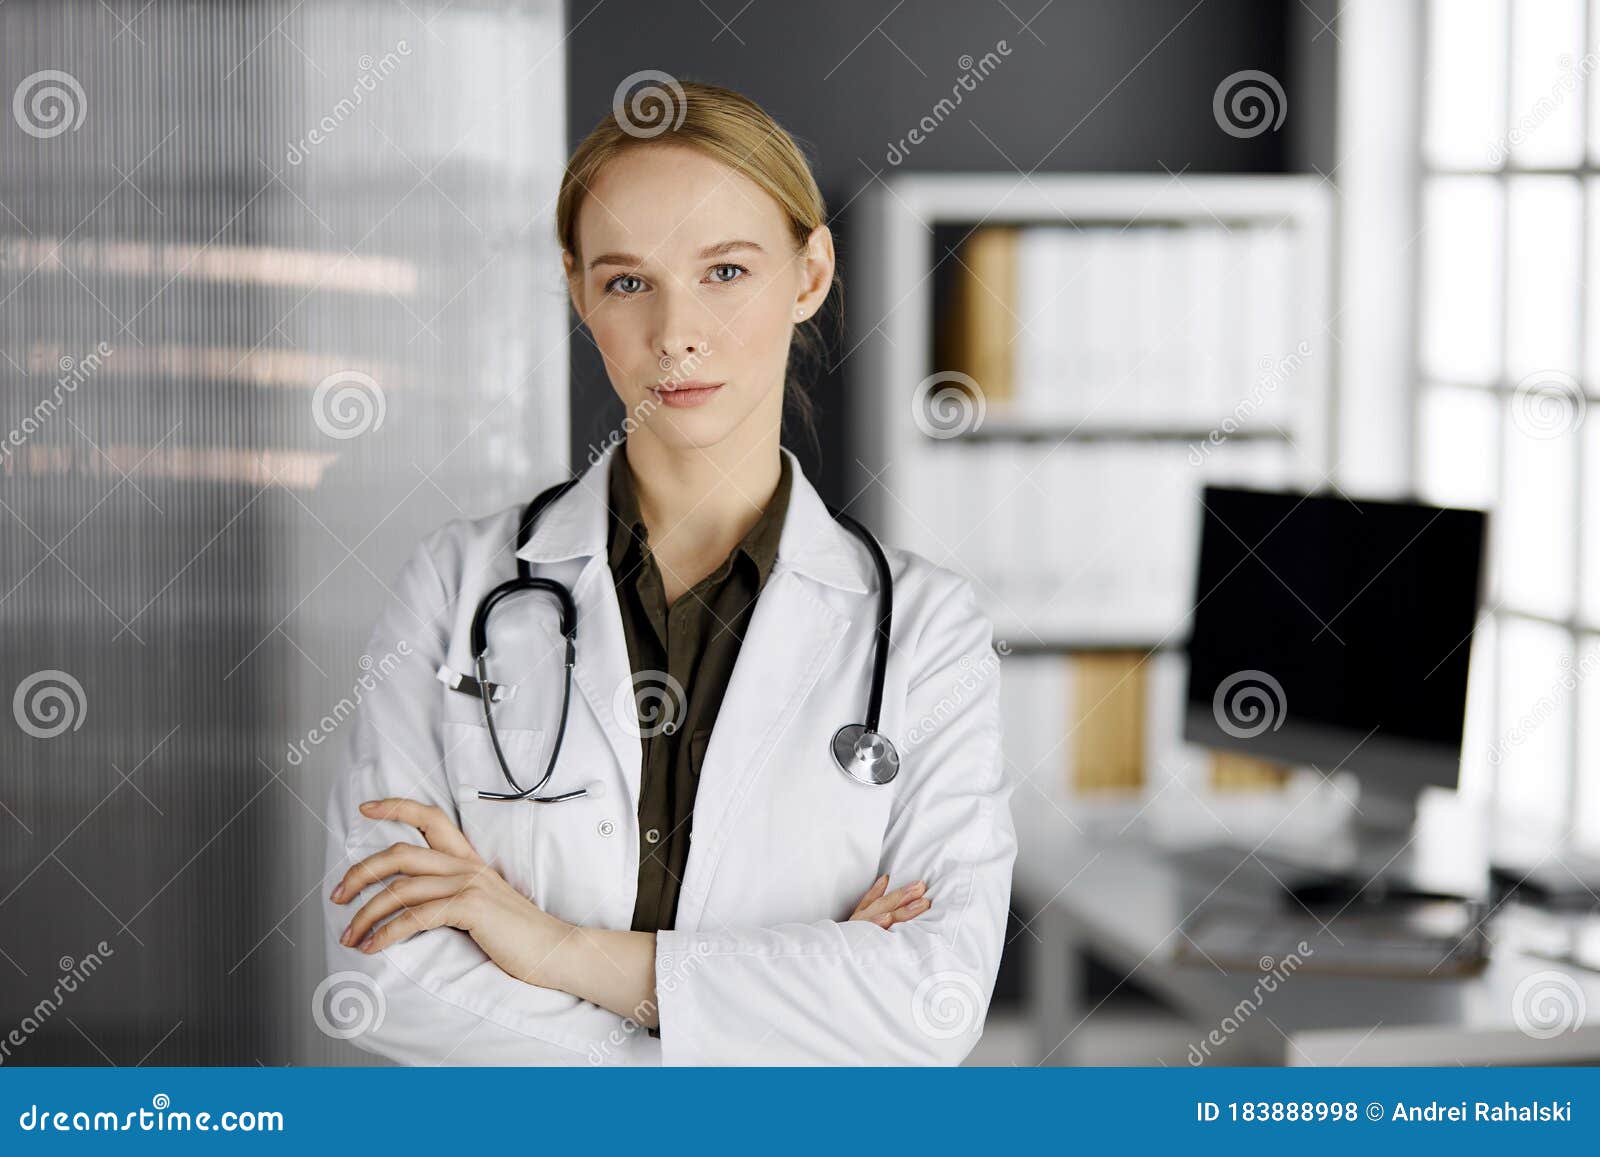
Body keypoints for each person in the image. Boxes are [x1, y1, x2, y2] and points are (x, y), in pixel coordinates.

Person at [321, 79, 1016, 1065]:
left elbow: (931, 1003)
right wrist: (777, 1008)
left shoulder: (926, 628)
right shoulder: (454, 584)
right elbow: (380, 970)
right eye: (627, 281)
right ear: (578, 291)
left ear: (810, 271)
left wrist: (552, 947)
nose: (675, 332)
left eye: (725, 271)